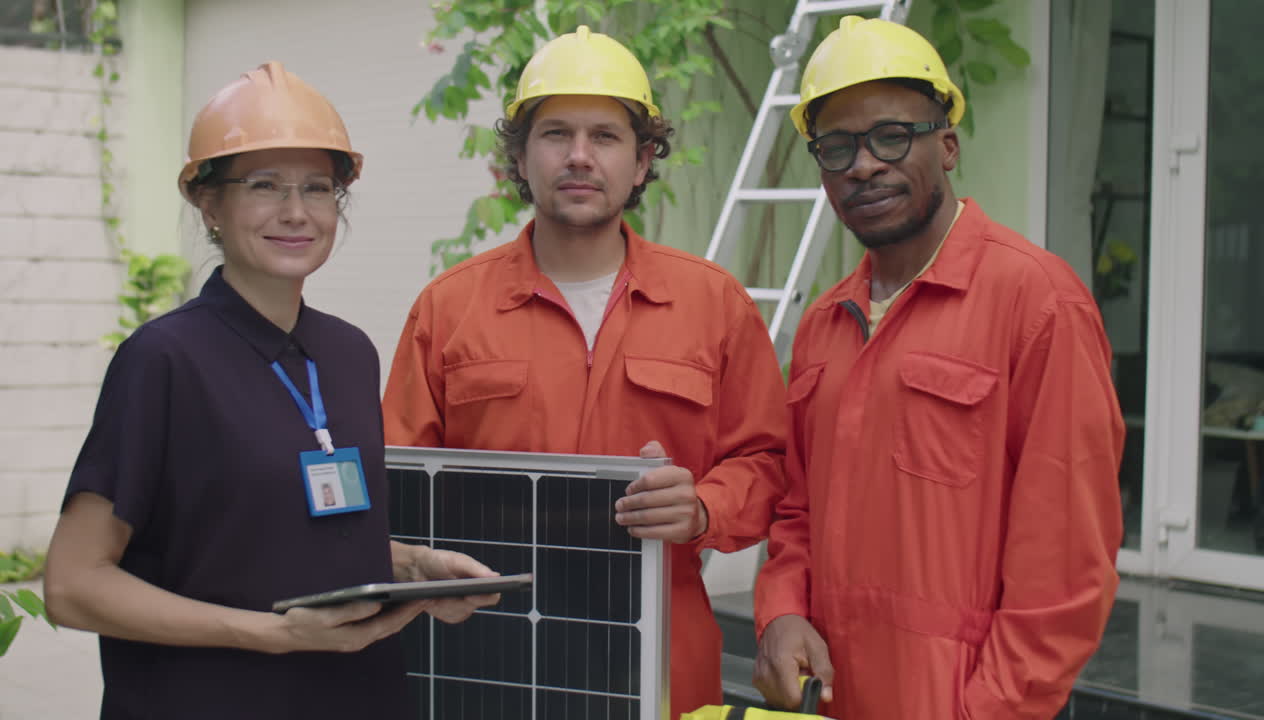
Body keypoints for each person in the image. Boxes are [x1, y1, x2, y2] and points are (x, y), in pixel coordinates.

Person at [43, 61, 497, 719]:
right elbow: (73, 585)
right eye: (264, 185)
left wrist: (413, 566)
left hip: (358, 697)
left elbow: (274, 534)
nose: (295, 212)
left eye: (317, 188)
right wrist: (274, 635)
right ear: (208, 202)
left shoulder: (348, 353)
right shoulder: (163, 360)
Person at [381, 26, 787, 717]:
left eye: (604, 137)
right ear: (519, 156)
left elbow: (767, 463)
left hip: (661, 654)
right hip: (483, 657)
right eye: (555, 134)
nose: (578, 157)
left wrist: (701, 509)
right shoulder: (448, 309)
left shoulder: (713, 304)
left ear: (642, 160)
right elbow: (393, 490)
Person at [751, 17, 1125, 720]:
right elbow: (796, 510)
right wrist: (780, 613)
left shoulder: (1036, 303)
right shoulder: (826, 324)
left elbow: (1068, 566)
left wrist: (989, 711)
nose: (863, 164)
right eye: (837, 147)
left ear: (947, 144)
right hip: (833, 698)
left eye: (892, 136)